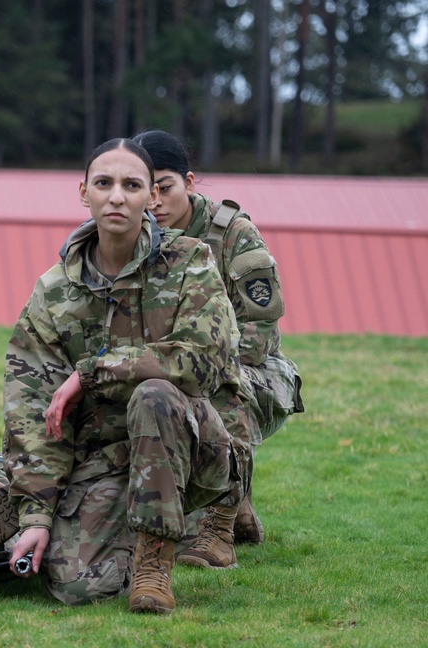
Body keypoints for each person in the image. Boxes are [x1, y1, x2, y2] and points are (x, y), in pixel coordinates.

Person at [3, 139, 247, 614]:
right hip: (108, 458)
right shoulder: (55, 292)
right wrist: (36, 515)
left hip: (197, 448)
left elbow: (203, 360)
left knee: (154, 394)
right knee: (76, 587)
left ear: (149, 196)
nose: (117, 196)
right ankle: (133, 530)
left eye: (132, 185)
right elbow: (31, 409)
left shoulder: (190, 262)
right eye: (104, 184)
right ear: (83, 192)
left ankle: (154, 567)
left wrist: (92, 373)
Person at [131, 130, 304, 567]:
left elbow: (260, 333)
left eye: (164, 187)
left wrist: (190, 365)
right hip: (173, 370)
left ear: (189, 182)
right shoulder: (134, 238)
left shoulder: (233, 235)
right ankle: (233, 503)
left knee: (218, 383)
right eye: (142, 188)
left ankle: (220, 530)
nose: (153, 202)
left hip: (256, 375)